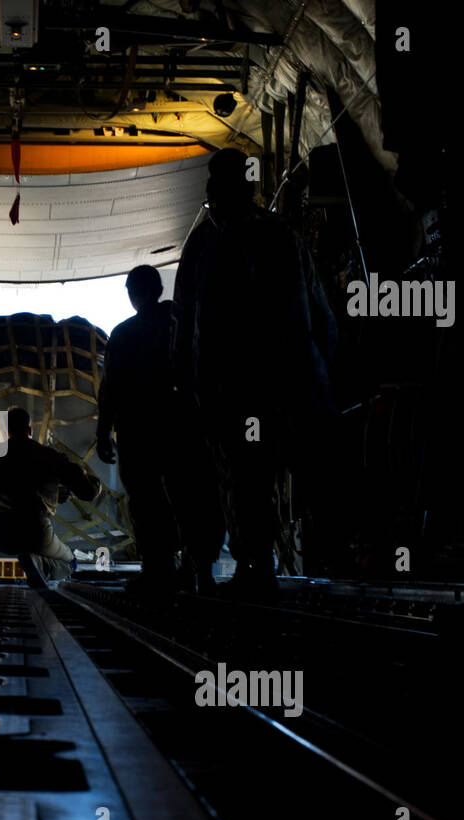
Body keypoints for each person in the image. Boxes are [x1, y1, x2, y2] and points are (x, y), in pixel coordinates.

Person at [174, 148, 337, 599]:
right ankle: (291, 565)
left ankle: (256, 566)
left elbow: (187, 325)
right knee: (276, 475)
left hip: (235, 390)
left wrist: (186, 385)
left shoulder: (205, 245)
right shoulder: (281, 235)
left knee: (243, 479)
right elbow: (320, 313)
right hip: (285, 384)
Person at [96, 265, 223, 597]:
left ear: (133, 294)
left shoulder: (123, 334)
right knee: (191, 496)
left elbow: (109, 389)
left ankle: (158, 570)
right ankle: (201, 570)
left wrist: (102, 432)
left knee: (146, 503)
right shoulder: (179, 324)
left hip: (139, 433)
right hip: (182, 427)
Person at [0, 406, 100, 588]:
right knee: (70, 563)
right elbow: (88, 492)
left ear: (5, 432)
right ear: (30, 430)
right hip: (36, 536)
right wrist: (90, 479)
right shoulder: (49, 456)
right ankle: (40, 565)